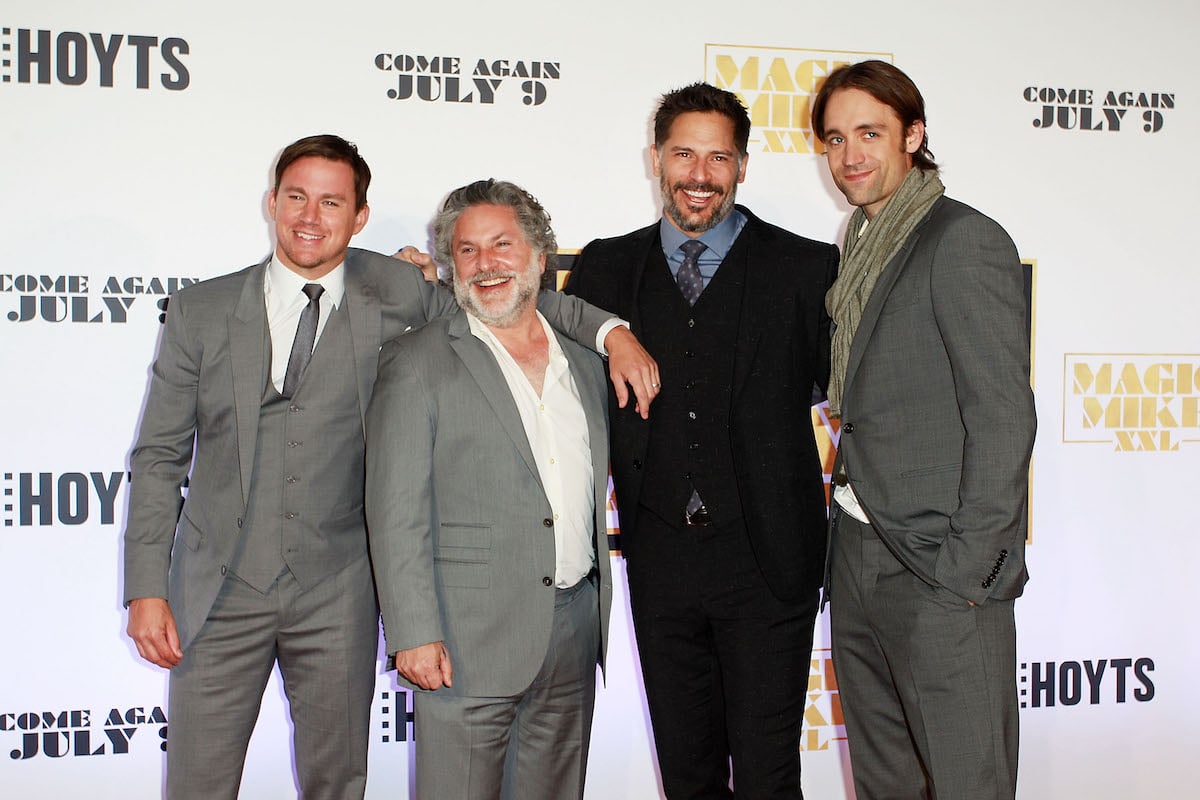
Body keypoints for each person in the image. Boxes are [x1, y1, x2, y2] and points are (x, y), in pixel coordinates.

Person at [122, 135, 656, 799]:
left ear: (360, 216)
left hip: (339, 592)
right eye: (296, 197)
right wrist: (147, 584)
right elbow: (158, 455)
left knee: (340, 783)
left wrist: (612, 332)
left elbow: (511, 302)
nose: (310, 216)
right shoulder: (200, 310)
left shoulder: (397, 288)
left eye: (331, 201)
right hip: (217, 590)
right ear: (272, 201)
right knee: (197, 783)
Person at [563, 83, 839, 798]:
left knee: (768, 773)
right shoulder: (605, 268)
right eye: (684, 153)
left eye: (719, 157)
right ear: (656, 158)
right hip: (660, 564)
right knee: (686, 775)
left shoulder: (807, 270)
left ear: (743, 166)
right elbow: (511, 316)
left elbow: (860, 396)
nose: (699, 174)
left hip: (770, 559)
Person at [811, 60, 1036, 800]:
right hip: (858, 555)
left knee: (968, 779)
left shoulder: (961, 241)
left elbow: (1002, 414)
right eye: (836, 138)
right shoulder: (859, 242)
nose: (850, 157)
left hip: (940, 567)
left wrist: (969, 571)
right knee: (885, 783)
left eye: (869, 133)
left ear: (914, 133)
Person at [366, 179, 612, 800]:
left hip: (573, 630)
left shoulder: (584, 363)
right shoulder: (415, 361)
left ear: (539, 256)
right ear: (449, 268)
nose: (486, 264)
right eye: (467, 251)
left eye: (502, 245)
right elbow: (396, 511)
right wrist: (413, 631)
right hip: (462, 640)